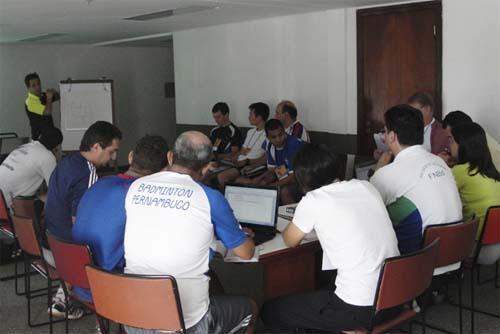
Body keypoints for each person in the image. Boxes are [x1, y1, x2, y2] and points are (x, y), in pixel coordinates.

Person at [124, 131, 257, 334]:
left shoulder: (135, 187)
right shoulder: (209, 198)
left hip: (133, 315)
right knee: (250, 308)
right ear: (206, 168)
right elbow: (245, 253)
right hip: (184, 322)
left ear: (170, 156)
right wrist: (244, 236)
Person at [261, 143, 399, 333]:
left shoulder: (314, 200)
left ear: (302, 178)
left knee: (270, 311)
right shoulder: (365, 186)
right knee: (323, 286)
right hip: (396, 296)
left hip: (360, 309)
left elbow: (290, 240)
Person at [72, 135, 169, 303]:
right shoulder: (142, 197)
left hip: (79, 278)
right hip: (107, 285)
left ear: (131, 156)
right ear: (166, 166)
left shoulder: (101, 183)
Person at [44, 120, 121, 318]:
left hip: (51, 239)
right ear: (96, 147)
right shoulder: (88, 171)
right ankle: (112, 302)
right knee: (114, 243)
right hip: (70, 248)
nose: (114, 157)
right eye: (112, 151)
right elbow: (81, 221)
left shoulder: (66, 161)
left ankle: (63, 297)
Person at [370, 105, 462, 259]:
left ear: (392, 136)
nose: (384, 136)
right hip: (454, 255)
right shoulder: (440, 162)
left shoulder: (387, 174)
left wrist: (377, 171)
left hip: (418, 266)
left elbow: (368, 211)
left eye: (384, 131)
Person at [446, 122, 500, 264]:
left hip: (477, 250)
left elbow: (441, 195)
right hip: (496, 245)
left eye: (451, 140)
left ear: (462, 144)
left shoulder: (460, 171)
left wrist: (440, 164)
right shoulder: (491, 171)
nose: (448, 144)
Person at [236, 119, 304, 204]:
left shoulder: (293, 145)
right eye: (274, 137)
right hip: (288, 173)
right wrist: (258, 180)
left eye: (280, 135)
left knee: (284, 191)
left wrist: (271, 186)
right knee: (262, 181)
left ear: (284, 132)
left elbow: (293, 177)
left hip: (306, 178)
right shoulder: (269, 145)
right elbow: (274, 170)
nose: (278, 139)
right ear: (268, 137)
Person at [0, 126, 62, 209]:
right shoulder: (47, 156)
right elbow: (56, 190)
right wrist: (57, 157)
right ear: (57, 147)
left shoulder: (27, 146)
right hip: (9, 206)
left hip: (3, 199)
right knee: (57, 202)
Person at [216, 102, 269, 186]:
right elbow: (242, 151)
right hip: (239, 163)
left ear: (259, 117)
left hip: (251, 165)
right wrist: (232, 158)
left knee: (224, 177)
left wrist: (247, 162)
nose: (248, 117)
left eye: (251, 114)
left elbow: (266, 156)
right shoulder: (250, 132)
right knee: (216, 172)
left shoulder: (268, 134)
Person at [24, 72, 60, 140]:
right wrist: (49, 98)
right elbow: (47, 112)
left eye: (38, 83)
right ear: (28, 88)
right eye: (33, 85)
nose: (38, 87)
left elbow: (58, 97)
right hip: (39, 140)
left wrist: (54, 92)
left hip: (48, 136)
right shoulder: (30, 102)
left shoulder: (42, 95)